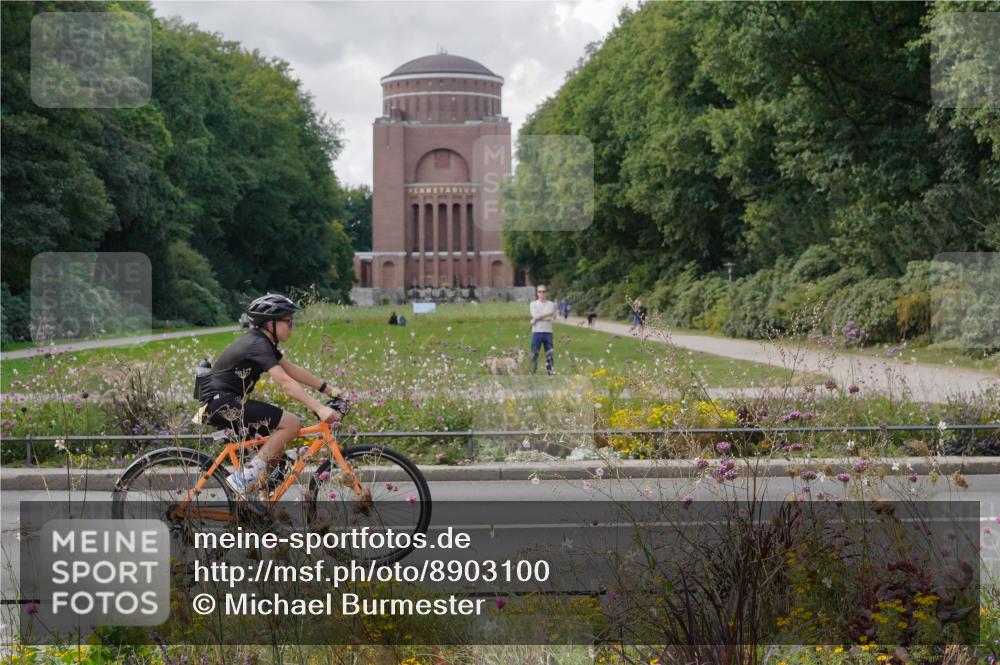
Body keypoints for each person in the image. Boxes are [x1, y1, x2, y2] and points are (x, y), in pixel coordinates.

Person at [198, 293, 341, 496]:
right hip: (222, 403)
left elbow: (291, 370)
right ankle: (244, 478)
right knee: (291, 423)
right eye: (288, 322)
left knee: (276, 455)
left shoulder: (263, 342)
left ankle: (257, 500)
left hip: (227, 402)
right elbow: (285, 383)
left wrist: (328, 389)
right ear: (270, 323)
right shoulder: (257, 344)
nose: (292, 326)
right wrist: (319, 408)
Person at [529, 285, 557, 375]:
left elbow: (552, 318)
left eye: (544, 291)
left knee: (549, 354)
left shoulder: (551, 304)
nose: (542, 293)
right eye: (540, 291)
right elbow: (535, 315)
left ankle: (550, 373)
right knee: (534, 354)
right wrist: (548, 314)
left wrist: (537, 319)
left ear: (546, 293)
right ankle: (533, 372)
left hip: (548, 332)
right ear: (537, 293)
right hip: (537, 332)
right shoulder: (533, 304)